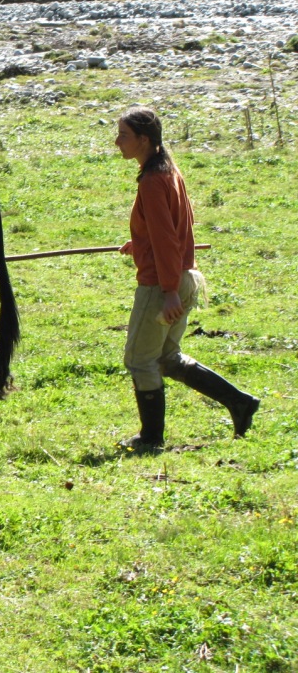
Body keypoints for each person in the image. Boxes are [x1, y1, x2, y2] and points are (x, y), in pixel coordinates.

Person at [114, 106, 259, 449]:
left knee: (139, 360)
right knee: (167, 358)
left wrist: (167, 292)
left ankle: (151, 438)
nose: (117, 142)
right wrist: (141, 243)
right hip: (184, 275)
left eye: (123, 135)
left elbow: (167, 239)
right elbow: (173, 229)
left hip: (163, 284)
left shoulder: (152, 181)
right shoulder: (168, 170)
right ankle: (239, 402)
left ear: (143, 140)